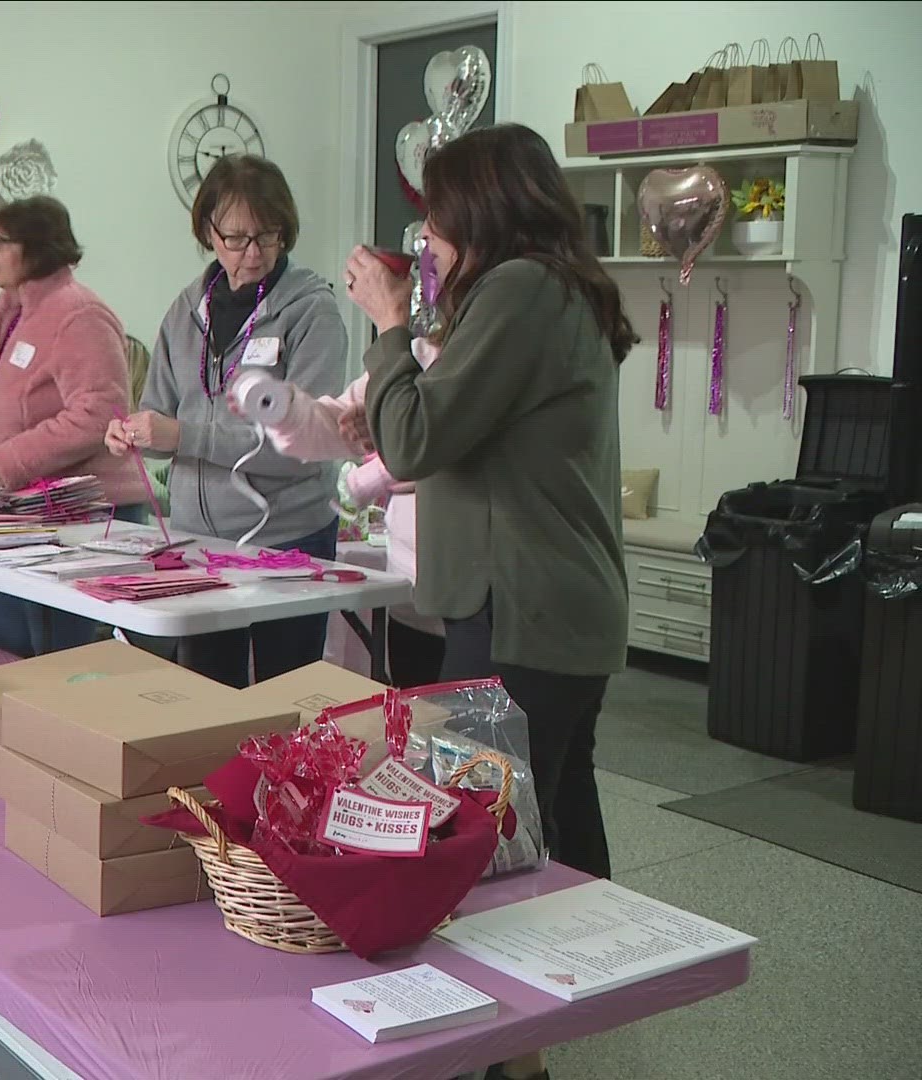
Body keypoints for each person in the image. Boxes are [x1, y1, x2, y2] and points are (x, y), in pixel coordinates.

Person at [347, 123, 634, 1080]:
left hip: (522, 612)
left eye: (435, 216)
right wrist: (397, 386)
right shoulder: (553, 291)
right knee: (552, 818)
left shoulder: (519, 290)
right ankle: (547, 1033)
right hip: (553, 610)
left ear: (481, 210)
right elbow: (460, 428)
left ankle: (509, 1043)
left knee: (486, 836)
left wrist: (390, 327)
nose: (423, 236)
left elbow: (422, 438)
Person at [107, 154, 348, 688]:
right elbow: (163, 416)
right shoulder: (188, 310)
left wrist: (185, 435)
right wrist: (134, 433)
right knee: (208, 698)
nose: (254, 253)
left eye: (269, 235)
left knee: (289, 699)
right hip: (198, 543)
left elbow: (306, 443)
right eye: (237, 238)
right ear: (208, 233)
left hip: (288, 537)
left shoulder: (312, 313)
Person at [0, 196, 149, 658]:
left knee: (51, 658)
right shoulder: (17, 312)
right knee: (9, 645)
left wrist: (9, 460)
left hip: (81, 515)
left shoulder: (77, 313)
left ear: (36, 248)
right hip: (23, 512)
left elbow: (101, 413)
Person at [247, 336, 446, 687]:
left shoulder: (499, 352)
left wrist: (404, 460)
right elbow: (332, 423)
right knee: (422, 723)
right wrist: (286, 409)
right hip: (411, 596)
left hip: (492, 604)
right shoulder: (416, 353)